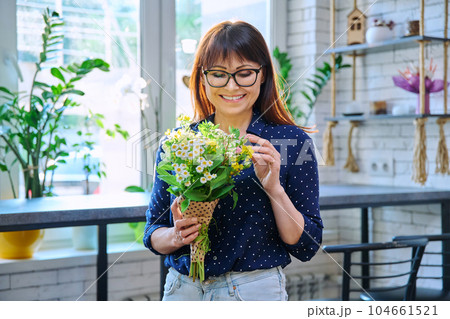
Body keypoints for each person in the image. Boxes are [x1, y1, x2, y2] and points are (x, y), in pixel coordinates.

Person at [143, 20, 323, 301]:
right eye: (218, 74)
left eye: (245, 73)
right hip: (182, 290)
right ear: (202, 77)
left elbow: (305, 245)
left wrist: (274, 189)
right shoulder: (178, 143)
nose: (232, 85)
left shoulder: (292, 143)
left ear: (262, 75)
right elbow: (153, 231)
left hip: (253, 292)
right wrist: (177, 237)